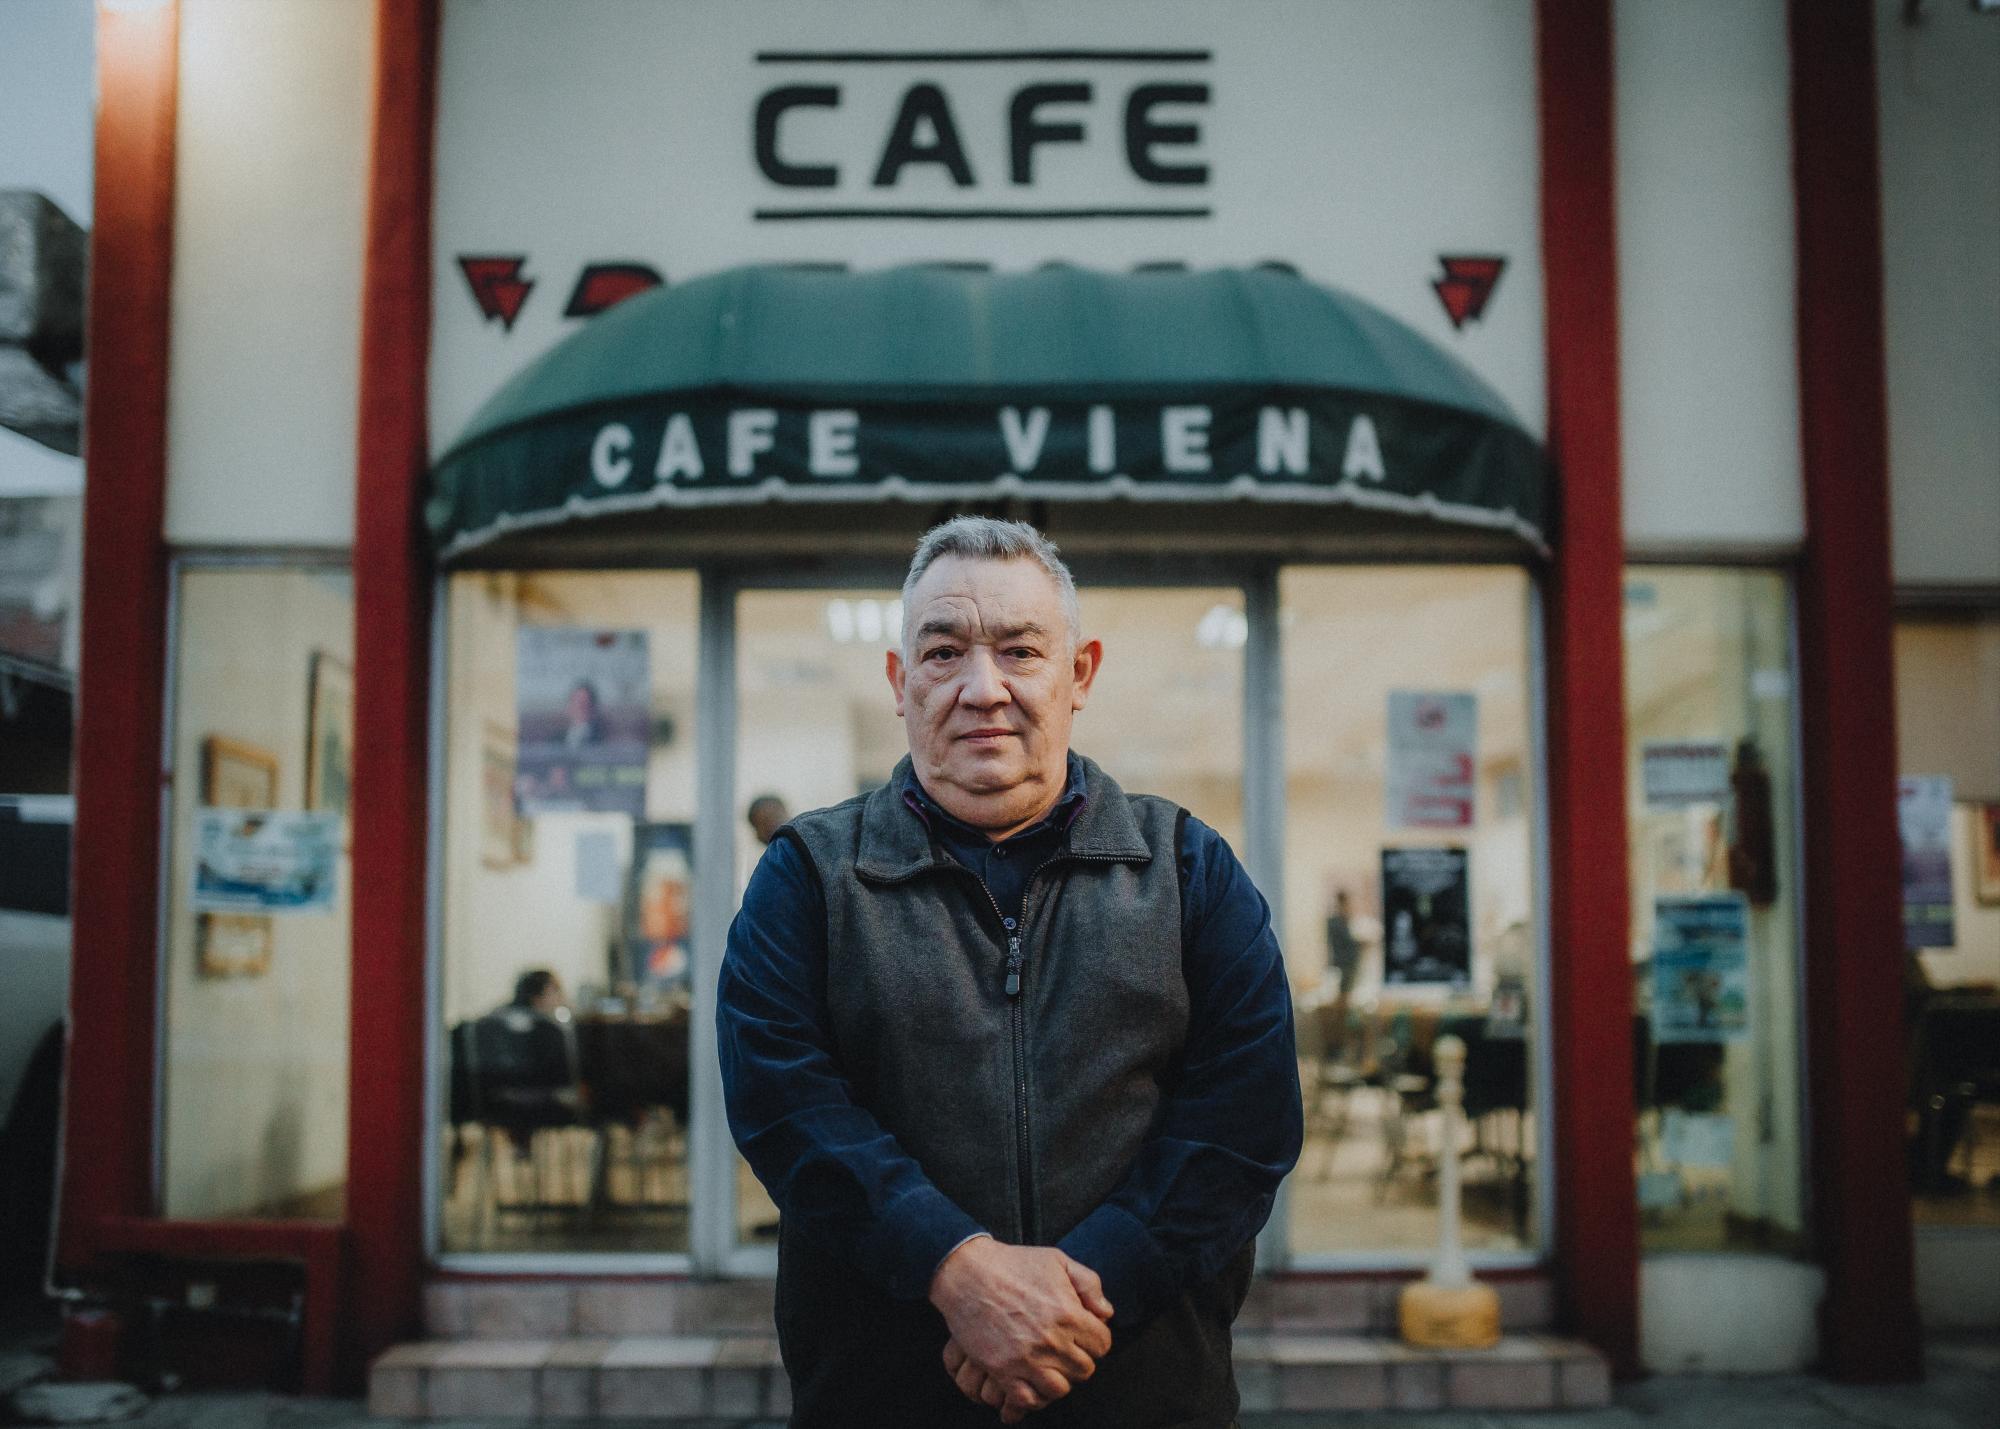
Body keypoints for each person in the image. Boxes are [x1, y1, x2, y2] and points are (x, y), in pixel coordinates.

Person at [717, 517, 1302, 1427]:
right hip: (885, 1398)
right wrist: (956, 1271)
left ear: (1079, 674)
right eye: (944, 651)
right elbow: (786, 1107)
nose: (982, 688)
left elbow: (1244, 1123)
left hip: (1142, 1391)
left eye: (1021, 651)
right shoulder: (809, 875)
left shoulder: (1187, 866)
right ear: (899, 680)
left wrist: (1069, 1301)